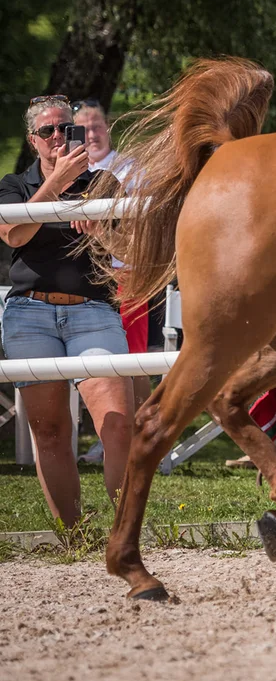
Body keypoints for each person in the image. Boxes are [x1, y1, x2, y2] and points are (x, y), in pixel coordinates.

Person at [0, 95, 133, 526]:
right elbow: (14, 235)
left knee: (117, 424)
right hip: (29, 314)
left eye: (65, 129)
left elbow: (130, 250)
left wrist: (101, 234)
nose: (57, 137)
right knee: (50, 433)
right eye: (47, 131)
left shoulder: (105, 183)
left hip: (94, 311)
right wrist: (55, 184)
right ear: (32, 140)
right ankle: (74, 538)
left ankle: (125, 534)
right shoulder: (14, 186)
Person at [73, 99, 151, 465]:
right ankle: (112, 438)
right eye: (84, 128)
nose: (92, 134)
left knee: (131, 361)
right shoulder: (64, 172)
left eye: (98, 125)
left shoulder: (130, 169)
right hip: (77, 280)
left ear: (109, 126)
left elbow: (143, 226)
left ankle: (147, 439)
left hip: (125, 273)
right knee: (97, 364)